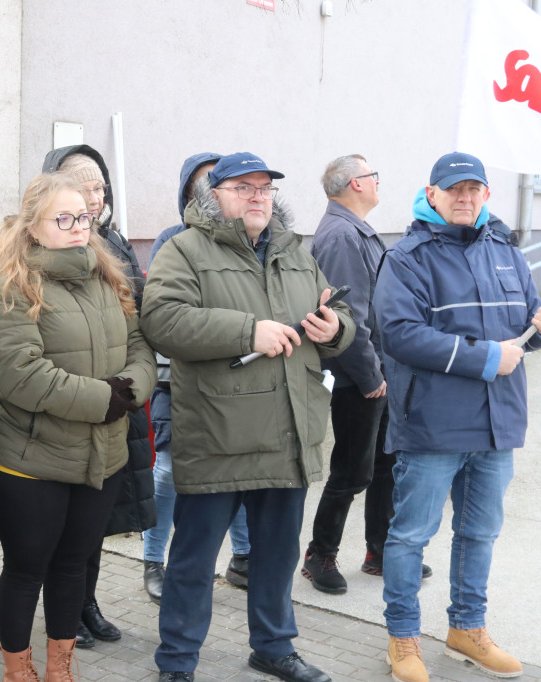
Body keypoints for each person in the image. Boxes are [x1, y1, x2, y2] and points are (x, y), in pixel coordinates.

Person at [141, 152, 354, 682]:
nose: (258, 196)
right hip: (219, 434)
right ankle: (177, 661)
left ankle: (274, 647)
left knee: (277, 557)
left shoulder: (295, 252)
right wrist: (248, 332)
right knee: (193, 561)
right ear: (214, 196)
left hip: (289, 431)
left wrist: (336, 330)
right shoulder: (184, 250)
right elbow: (163, 320)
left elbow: (340, 312)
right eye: (244, 187)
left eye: (264, 188)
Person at [0, 171, 155, 681]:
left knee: (74, 566)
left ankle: (61, 669)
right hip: (29, 459)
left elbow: (140, 344)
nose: (80, 228)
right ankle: (19, 671)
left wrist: (133, 388)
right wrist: (107, 398)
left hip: (102, 454)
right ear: (32, 226)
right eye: (65, 218)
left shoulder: (107, 273)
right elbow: (26, 376)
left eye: (85, 217)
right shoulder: (10, 284)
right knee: (27, 568)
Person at [374, 152, 541, 682]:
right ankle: (402, 638)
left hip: (497, 425)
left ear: (487, 195)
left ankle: (467, 630)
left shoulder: (505, 252)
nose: (465, 197)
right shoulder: (408, 256)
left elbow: (525, 325)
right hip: (433, 423)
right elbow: (398, 333)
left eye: (474, 189)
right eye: (454, 189)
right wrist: (489, 357)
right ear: (433, 193)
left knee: (480, 533)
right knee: (409, 537)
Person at [41, 146, 157, 647]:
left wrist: (131, 385)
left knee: (97, 523)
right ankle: (63, 615)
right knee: (60, 530)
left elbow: (138, 314)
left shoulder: (113, 243)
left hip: (118, 403)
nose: (97, 196)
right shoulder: (44, 252)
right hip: (70, 407)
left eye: (101, 187)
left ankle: (87, 604)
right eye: (86, 188)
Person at [301, 155, 433, 595]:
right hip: (359, 373)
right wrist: (370, 375)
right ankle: (320, 554)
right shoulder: (341, 235)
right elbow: (347, 315)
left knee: (384, 465)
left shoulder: (357, 231)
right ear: (356, 184)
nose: (379, 182)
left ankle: (381, 550)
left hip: (377, 369)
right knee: (353, 469)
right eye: (374, 176)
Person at [141, 152, 253, 602]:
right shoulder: (173, 240)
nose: (214, 190)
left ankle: (244, 558)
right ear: (189, 191)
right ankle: (153, 559)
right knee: (167, 472)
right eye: (205, 183)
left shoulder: (251, 239)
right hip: (177, 379)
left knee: (242, 472)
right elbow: (164, 317)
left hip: (236, 377)